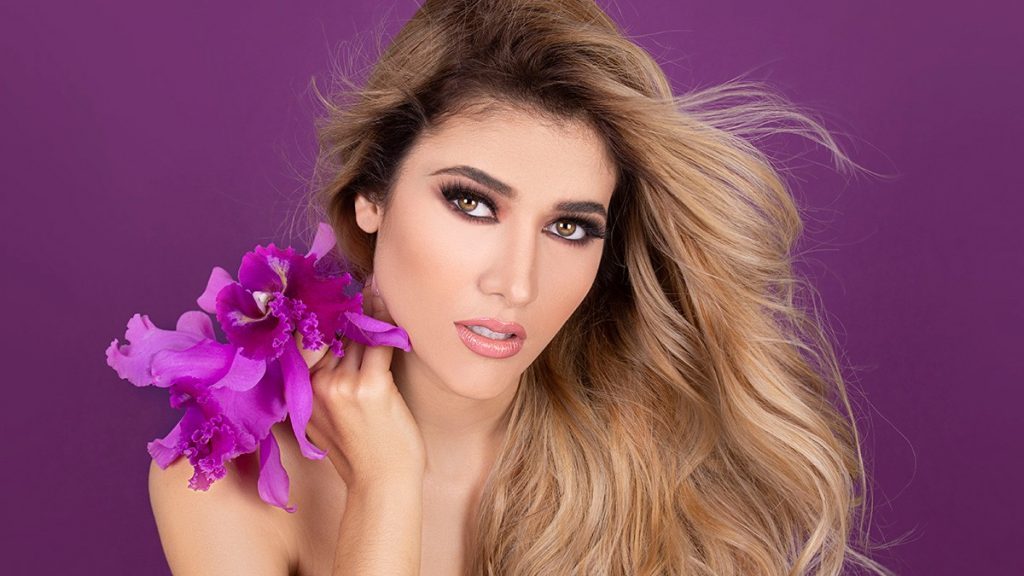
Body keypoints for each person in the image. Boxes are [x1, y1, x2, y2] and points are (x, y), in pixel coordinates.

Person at [148, 1, 889, 574]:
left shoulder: (662, 463)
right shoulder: (222, 477)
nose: (517, 282)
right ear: (371, 196)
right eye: (472, 203)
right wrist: (386, 488)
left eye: (569, 227)